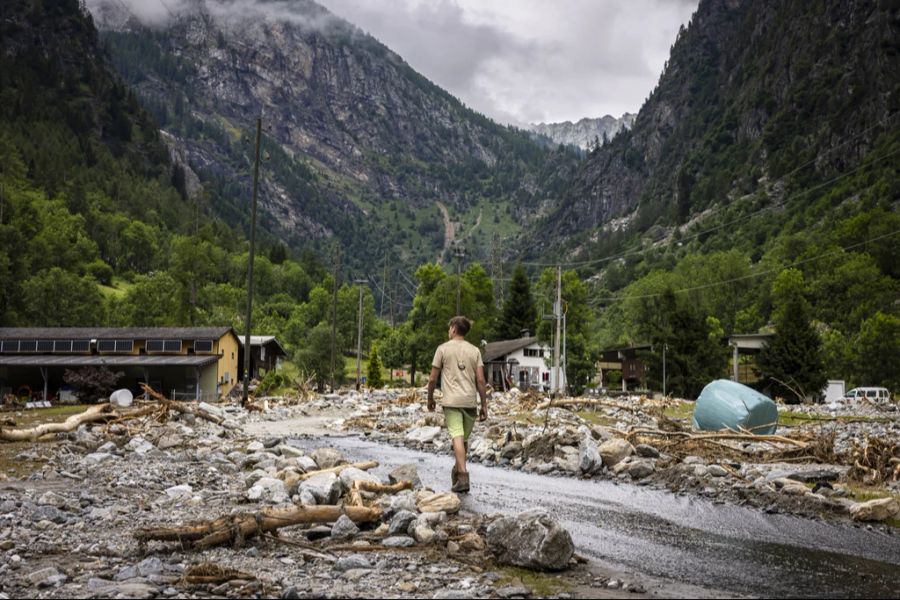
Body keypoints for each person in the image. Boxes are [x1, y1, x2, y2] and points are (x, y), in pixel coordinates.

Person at [427, 316, 488, 493]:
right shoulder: (475, 351)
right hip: (470, 401)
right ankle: (457, 470)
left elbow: (432, 378)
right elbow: (481, 380)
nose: (448, 331)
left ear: (454, 328)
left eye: (449, 328)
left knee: (457, 438)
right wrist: (484, 405)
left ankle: (462, 475)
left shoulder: (442, 349)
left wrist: (430, 398)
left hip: (452, 401)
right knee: (463, 439)